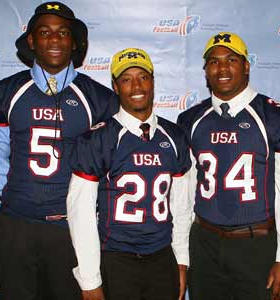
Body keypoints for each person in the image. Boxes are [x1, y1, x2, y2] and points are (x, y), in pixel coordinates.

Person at [0, 2, 117, 299]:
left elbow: (110, 162)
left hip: (71, 231)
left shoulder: (98, 98)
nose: (54, 39)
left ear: (74, 41)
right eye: (44, 32)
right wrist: (23, 196)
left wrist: (75, 207)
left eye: (63, 32)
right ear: (31, 41)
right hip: (17, 228)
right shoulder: (7, 93)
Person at [177, 32, 280, 300]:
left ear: (246, 65)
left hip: (257, 245)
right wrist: (181, 253)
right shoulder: (190, 119)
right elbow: (183, 194)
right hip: (204, 243)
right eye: (213, 61)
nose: (222, 68)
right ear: (205, 70)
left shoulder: (275, 117)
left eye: (231, 60)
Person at [66, 48, 191, 300]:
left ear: (153, 81)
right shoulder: (98, 139)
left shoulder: (174, 136)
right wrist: (90, 279)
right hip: (116, 259)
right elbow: (81, 213)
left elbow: (182, 208)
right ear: (115, 86)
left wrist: (181, 260)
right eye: (126, 79)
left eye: (143, 77)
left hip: (161, 256)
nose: (136, 85)